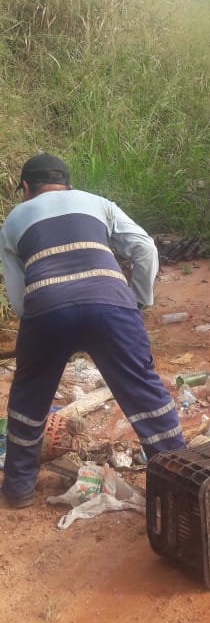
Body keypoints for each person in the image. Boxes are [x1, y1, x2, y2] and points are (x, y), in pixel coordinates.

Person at [0, 154, 186, 510]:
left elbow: (19, 298)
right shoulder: (97, 203)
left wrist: (38, 327)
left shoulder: (13, 221)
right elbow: (144, 247)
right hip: (110, 306)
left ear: (26, 188)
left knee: (28, 399)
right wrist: (139, 300)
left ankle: (19, 488)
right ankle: (180, 479)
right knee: (145, 394)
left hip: (46, 309)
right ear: (68, 183)